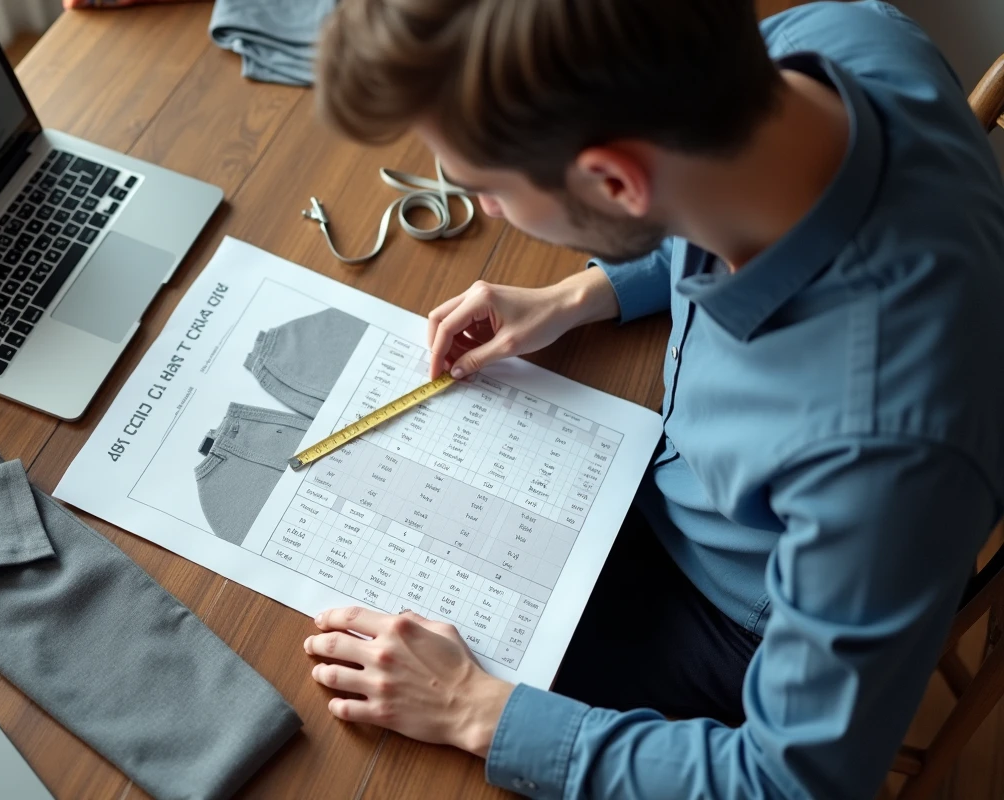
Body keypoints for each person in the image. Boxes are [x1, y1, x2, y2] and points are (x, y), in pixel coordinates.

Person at [300, 1, 1004, 797]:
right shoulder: (843, 35)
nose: (487, 208)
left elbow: (793, 782)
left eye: (484, 187)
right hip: (676, 471)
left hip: (730, 616)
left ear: (613, 181)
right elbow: (702, 164)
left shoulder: (883, 449)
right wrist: (585, 290)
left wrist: (473, 709)